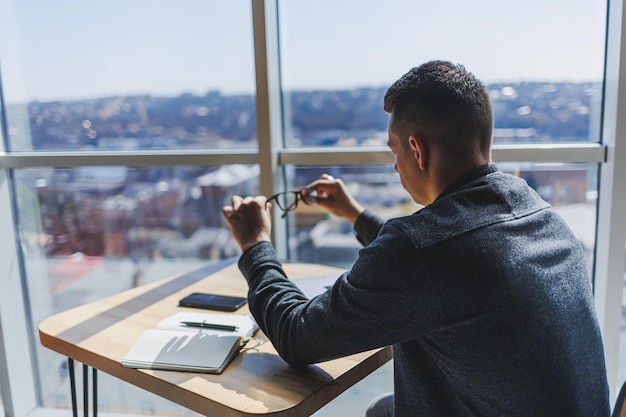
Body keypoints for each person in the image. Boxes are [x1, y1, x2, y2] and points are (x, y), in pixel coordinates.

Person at [221, 60, 610, 417]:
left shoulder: (420, 250)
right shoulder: (536, 209)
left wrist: (255, 244)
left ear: (417, 150)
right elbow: (445, 265)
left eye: (395, 151)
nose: (395, 166)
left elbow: (297, 336)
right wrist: (356, 215)